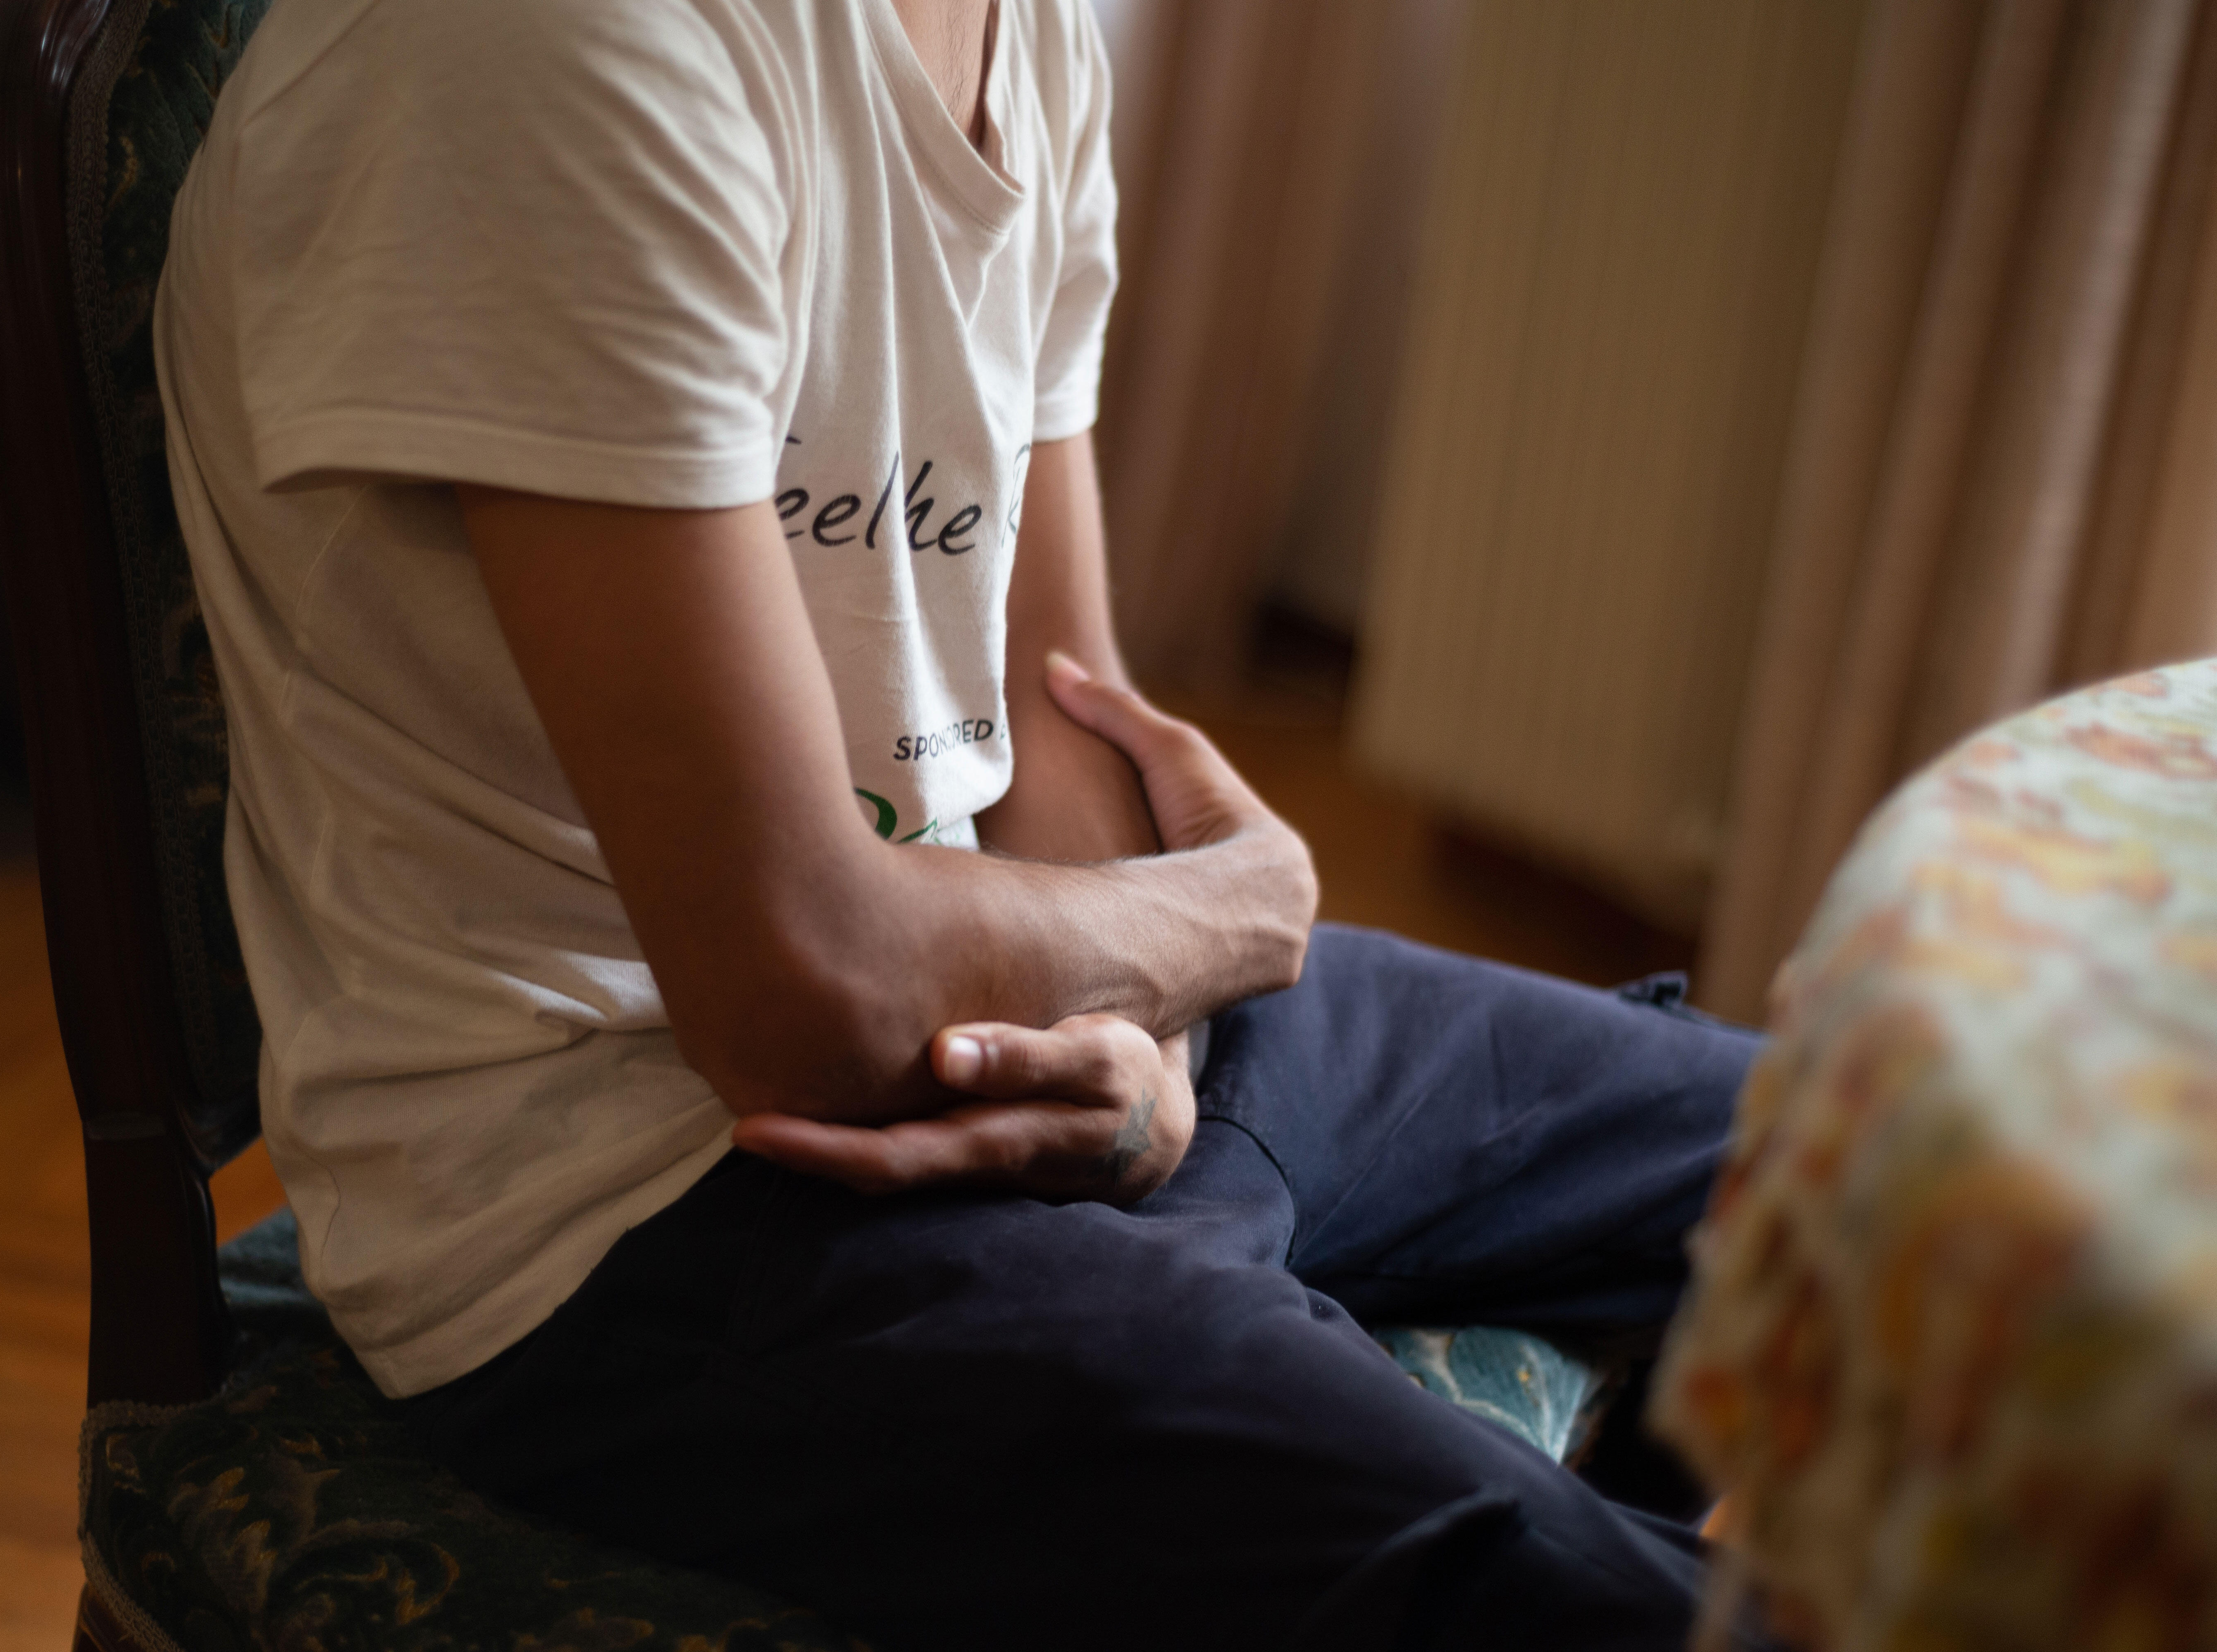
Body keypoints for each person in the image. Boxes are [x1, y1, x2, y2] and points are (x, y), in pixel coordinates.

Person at [153, 0, 1765, 1645]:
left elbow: (1057, 710)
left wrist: (1145, 1061)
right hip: (627, 1214)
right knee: (1603, 1599)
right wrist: (1221, 917)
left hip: (1021, 1009)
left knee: (1870, 1157)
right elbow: (805, 988)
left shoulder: (1031, 30)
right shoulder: (549, 43)